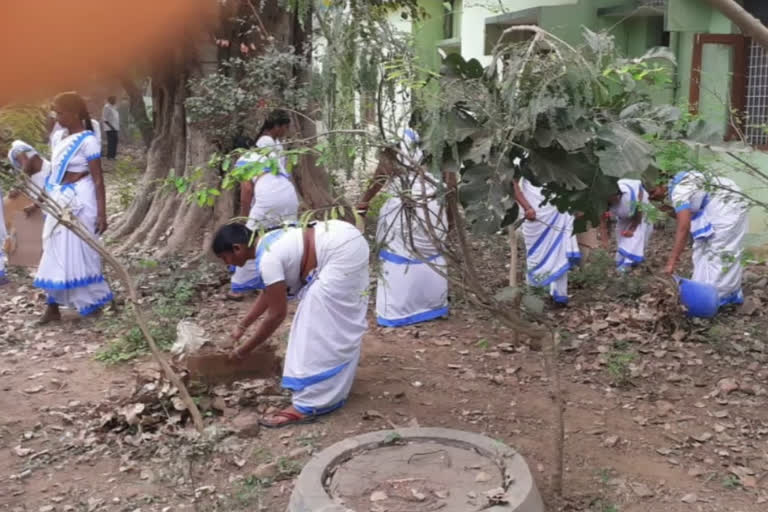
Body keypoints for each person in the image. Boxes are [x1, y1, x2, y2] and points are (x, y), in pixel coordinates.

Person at [212, 219, 369, 428]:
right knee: (332, 321)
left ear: (237, 248)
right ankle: (331, 383)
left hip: (341, 250)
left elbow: (276, 314)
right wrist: (241, 327)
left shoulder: (267, 258)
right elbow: (270, 293)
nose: (227, 264)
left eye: (225, 257)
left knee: (315, 326)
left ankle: (311, 403)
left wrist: (243, 351)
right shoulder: (266, 241)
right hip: (345, 237)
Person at [357, 128, 451, 327]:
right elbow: (451, 186)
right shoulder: (436, 155)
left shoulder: (394, 157)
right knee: (431, 253)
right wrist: (449, 217)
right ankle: (433, 305)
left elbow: (379, 178)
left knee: (399, 252)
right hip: (433, 209)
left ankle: (398, 311)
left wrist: (364, 202)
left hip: (405, 212)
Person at [32, 92, 113, 323]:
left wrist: (102, 213)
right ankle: (52, 305)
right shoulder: (59, 138)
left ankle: (92, 303)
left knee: (81, 251)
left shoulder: (88, 140)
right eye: (55, 112)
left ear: (74, 113)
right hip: (58, 200)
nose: (57, 117)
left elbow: (98, 179)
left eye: (60, 113)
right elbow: (52, 173)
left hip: (80, 201)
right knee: (54, 251)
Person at [649, 170, 748, 306]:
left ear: (661, 184)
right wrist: (662, 205)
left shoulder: (680, 190)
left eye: (653, 192)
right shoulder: (680, 185)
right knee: (702, 250)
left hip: (728, 206)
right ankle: (710, 290)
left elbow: (684, 227)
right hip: (725, 201)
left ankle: (719, 297)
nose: (652, 196)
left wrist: (672, 260)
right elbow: (682, 217)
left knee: (720, 251)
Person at [229, 110, 300, 299]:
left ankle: (242, 285)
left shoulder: (244, 160)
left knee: (248, 240)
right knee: (283, 235)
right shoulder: (265, 156)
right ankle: (288, 282)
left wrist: (245, 218)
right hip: (289, 195)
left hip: (268, 199)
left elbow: (246, 192)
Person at [514, 177, 581, 304]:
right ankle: (533, 298)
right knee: (535, 255)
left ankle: (560, 296)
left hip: (558, 208)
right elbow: (512, 183)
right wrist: (527, 207)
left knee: (560, 251)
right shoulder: (522, 158)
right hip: (534, 214)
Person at [599, 178, 653, 272]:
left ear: (618, 195)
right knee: (621, 232)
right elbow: (602, 220)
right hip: (624, 213)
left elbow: (638, 218)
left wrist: (632, 229)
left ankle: (629, 262)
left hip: (641, 206)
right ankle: (622, 258)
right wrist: (604, 238)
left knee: (636, 233)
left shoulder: (630, 198)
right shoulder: (603, 200)